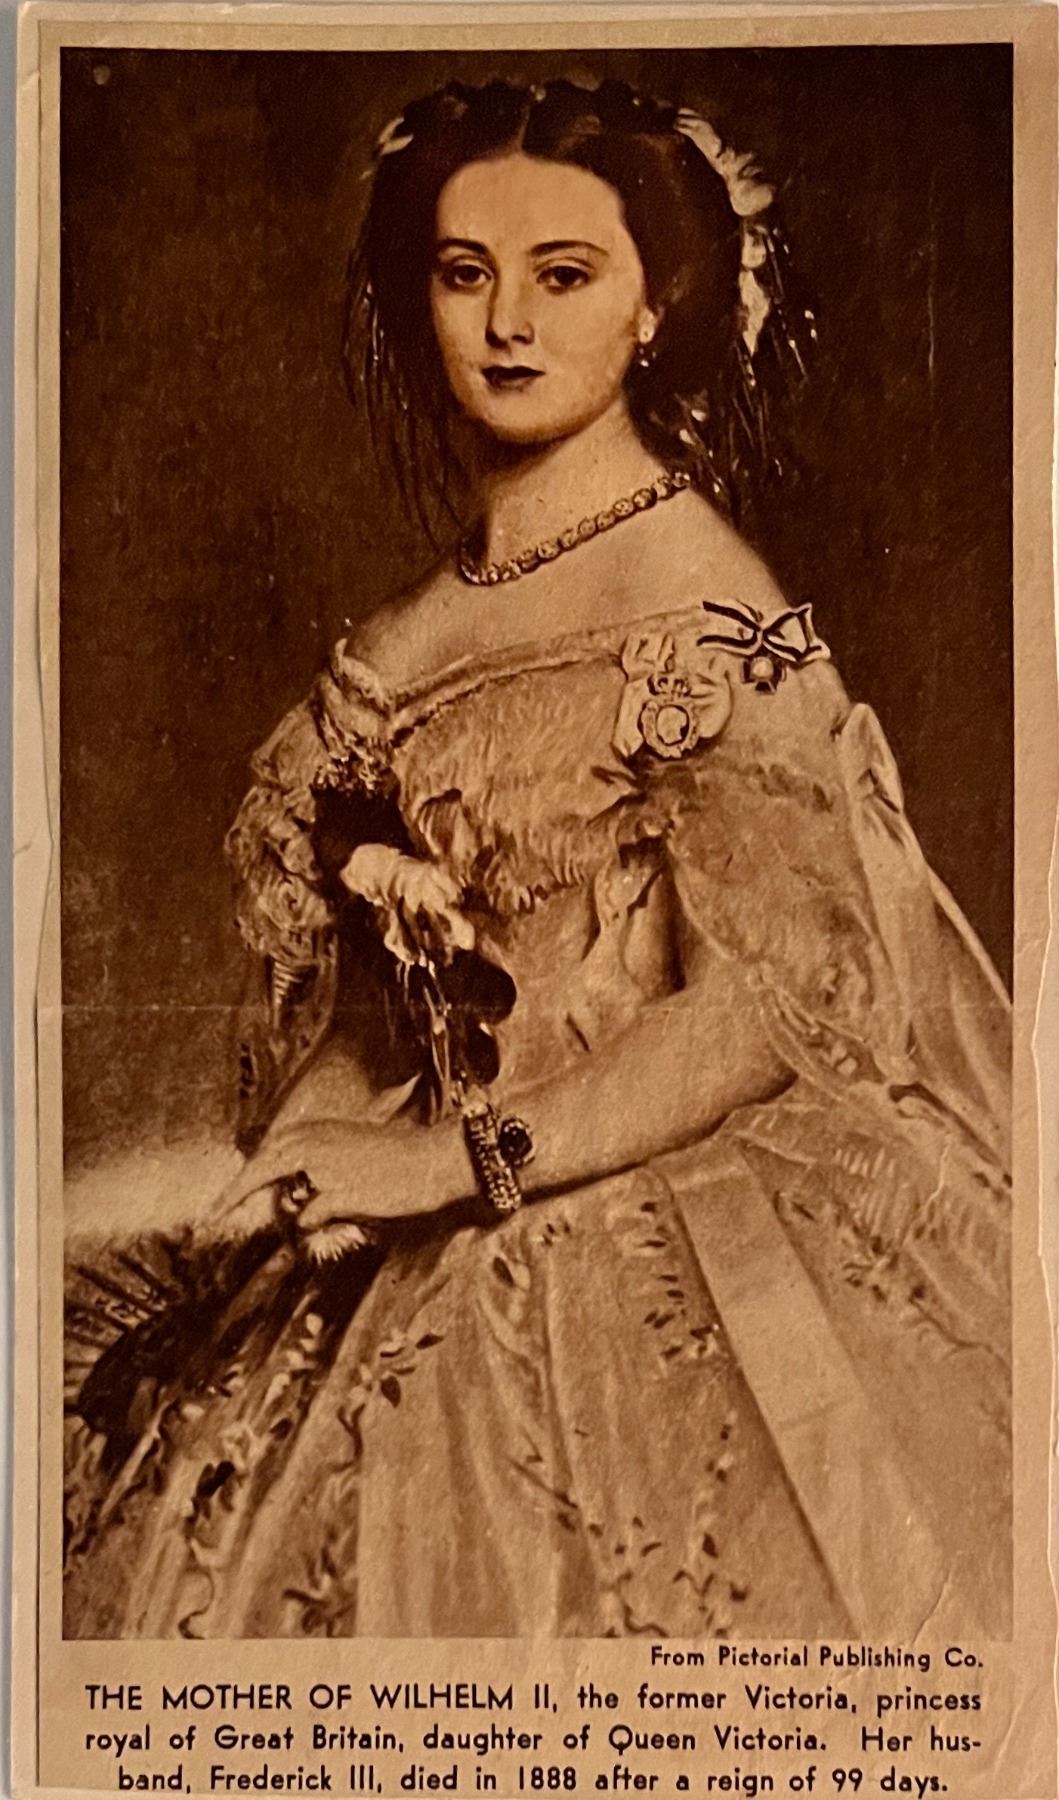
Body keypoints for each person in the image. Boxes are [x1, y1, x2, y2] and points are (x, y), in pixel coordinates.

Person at [63, 77, 1011, 1641]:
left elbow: (763, 1009)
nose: (508, 323)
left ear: (656, 305)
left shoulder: (710, 606)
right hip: (409, 1218)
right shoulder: (392, 646)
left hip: (648, 1215)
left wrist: (455, 1167)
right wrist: (315, 1141)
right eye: (465, 272)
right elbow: (383, 1022)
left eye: (564, 274)